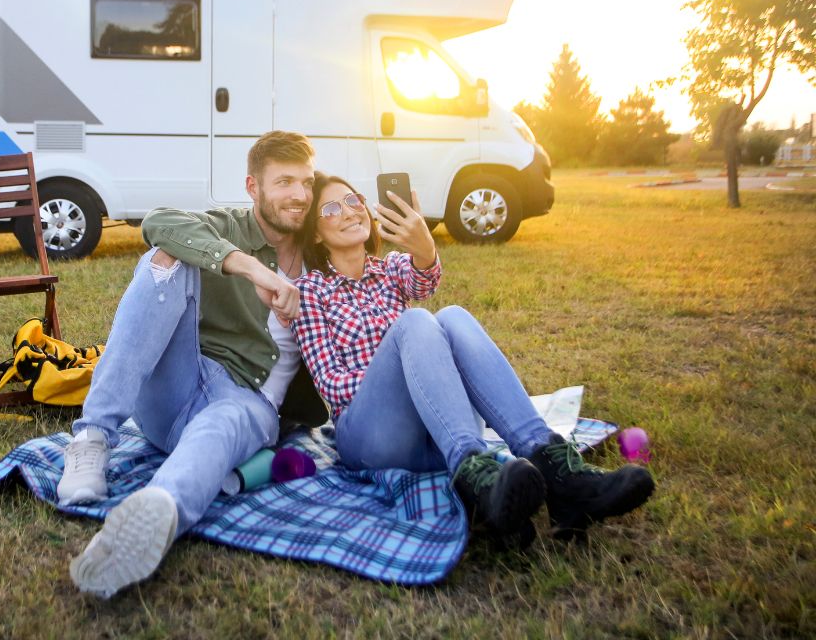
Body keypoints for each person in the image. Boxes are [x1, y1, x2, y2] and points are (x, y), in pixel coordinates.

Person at [291, 172, 654, 547]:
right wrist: (408, 367)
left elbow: (424, 280)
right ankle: (475, 473)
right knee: (415, 321)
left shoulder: (391, 270)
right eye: (332, 208)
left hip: (438, 432)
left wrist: (425, 246)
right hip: (372, 439)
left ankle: (552, 467)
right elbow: (330, 383)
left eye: (354, 200)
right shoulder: (310, 291)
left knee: (453, 316)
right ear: (316, 234)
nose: (349, 212)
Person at [57, 131, 329, 598]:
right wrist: (250, 268)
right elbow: (160, 222)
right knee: (166, 258)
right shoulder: (231, 227)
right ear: (253, 187)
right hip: (180, 382)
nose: (300, 195)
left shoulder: (320, 255)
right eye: (284, 182)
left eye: (306, 182)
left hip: (247, 399)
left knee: (222, 425)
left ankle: (155, 512)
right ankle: (92, 440)